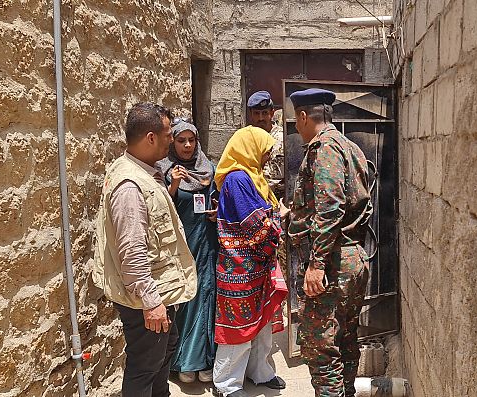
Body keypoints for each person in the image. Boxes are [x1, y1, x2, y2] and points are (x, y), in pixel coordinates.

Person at [91, 102, 198, 397]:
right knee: (145, 365)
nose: (171, 140)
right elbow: (132, 250)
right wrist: (151, 302)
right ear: (150, 137)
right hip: (145, 299)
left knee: (163, 353)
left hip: (157, 293)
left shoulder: (144, 172)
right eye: (167, 134)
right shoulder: (130, 185)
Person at [287, 89, 373, 397]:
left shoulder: (323, 148)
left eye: (296, 121)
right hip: (352, 258)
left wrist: (316, 264)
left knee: (321, 351)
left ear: (304, 116)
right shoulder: (350, 146)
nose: (296, 127)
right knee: (346, 341)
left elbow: (331, 206)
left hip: (333, 264)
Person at [211, 126, 289, 397]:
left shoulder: (253, 178)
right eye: (265, 150)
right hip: (240, 268)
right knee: (238, 327)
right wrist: (281, 216)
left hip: (257, 266)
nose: (268, 156)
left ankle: (260, 372)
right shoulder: (237, 180)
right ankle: (226, 383)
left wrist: (274, 214)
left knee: (262, 322)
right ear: (250, 148)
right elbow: (257, 226)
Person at [156, 121, 218, 384]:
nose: (187, 146)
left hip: (207, 242)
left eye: (191, 140)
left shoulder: (207, 169)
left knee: (207, 295)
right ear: (173, 143)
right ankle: (184, 361)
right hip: (182, 246)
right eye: (181, 140)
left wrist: (218, 212)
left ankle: (206, 360)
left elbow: (216, 198)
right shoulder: (164, 170)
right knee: (186, 299)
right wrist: (173, 186)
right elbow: (159, 210)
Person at [246, 90, 285, 199]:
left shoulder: (283, 138)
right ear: (251, 115)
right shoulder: (246, 139)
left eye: (264, 113)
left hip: (279, 199)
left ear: (272, 113)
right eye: (256, 113)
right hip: (253, 198)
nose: (261, 118)